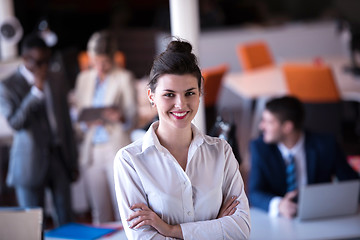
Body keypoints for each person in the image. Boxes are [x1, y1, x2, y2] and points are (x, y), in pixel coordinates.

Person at [114, 39, 251, 239]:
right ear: (151, 96)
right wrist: (215, 227)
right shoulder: (130, 161)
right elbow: (144, 237)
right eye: (169, 94)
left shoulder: (221, 151)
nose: (181, 104)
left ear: (200, 94)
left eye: (190, 93)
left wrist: (170, 230)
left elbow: (241, 230)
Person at [0, 33, 78, 226]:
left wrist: (72, 160)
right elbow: (16, 123)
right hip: (29, 161)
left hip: (59, 157)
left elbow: (66, 123)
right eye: (39, 61)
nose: (44, 66)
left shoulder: (57, 78)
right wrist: (36, 92)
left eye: (47, 60)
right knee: (33, 225)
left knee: (67, 221)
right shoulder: (7, 86)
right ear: (26, 58)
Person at [249, 96, 359, 219]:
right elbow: (254, 193)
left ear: (287, 127)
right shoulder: (260, 148)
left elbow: (351, 183)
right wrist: (279, 205)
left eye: (268, 122)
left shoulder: (326, 145)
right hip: (281, 219)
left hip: (319, 216)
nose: (261, 126)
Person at [73, 30, 137, 223]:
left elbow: (133, 119)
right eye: (95, 61)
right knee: (99, 212)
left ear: (113, 58)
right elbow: (78, 120)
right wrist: (85, 124)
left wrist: (120, 117)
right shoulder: (83, 79)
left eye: (104, 62)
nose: (100, 67)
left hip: (115, 148)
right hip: (92, 150)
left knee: (123, 210)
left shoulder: (124, 77)